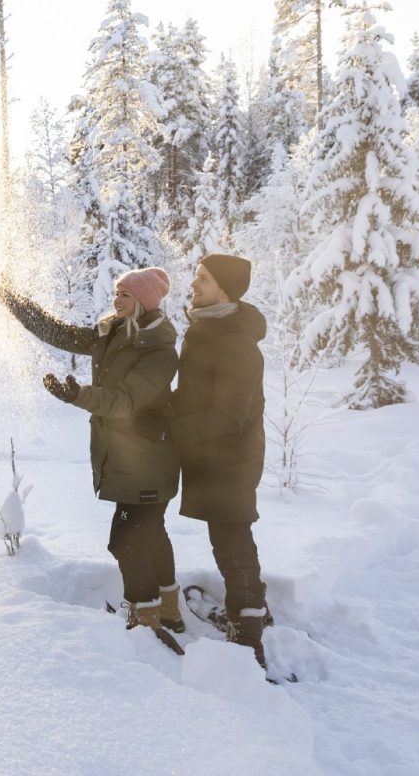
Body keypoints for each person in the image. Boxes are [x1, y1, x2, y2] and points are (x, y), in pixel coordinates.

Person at [0, 268, 184, 644]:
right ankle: (169, 611)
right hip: (133, 460)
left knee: (126, 541)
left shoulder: (159, 351)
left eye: (126, 295)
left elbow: (125, 402)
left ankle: (145, 620)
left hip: (149, 461)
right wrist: (12, 300)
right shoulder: (111, 334)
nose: (117, 299)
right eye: (116, 292)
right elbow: (59, 333)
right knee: (151, 535)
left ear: (144, 302)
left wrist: (76, 395)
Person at [173, 253, 270, 668]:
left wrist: (171, 431)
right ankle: (253, 612)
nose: (193, 284)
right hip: (214, 455)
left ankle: (249, 638)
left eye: (203, 279)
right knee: (230, 538)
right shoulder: (208, 330)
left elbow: (227, 416)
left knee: (231, 542)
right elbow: (197, 396)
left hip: (230, 458)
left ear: (224, 289)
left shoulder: (235, 343)